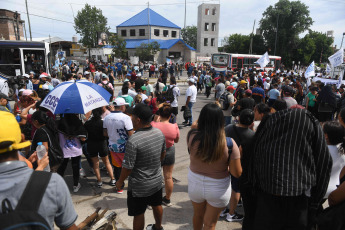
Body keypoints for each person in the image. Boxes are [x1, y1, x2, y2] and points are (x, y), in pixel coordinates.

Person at [248, 109, 332, 229]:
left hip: (267, 197)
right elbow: (324, 162)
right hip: (297, 199)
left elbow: (254, 155)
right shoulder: (309, 121)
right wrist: (315, 201)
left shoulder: (270, 121)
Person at [0, 111, 78, 230]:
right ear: (21, 138)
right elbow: (69, 226)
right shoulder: (53, 183)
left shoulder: (41, 131)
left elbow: (45, 148)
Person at [187, 103, 242, 230]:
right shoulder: (229, 143)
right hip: (218, 188)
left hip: (195, 183)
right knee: (210, 224)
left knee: (198, 215)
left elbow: (195, 125)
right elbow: (237, 173)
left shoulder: (192, 136)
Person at [115, 104, 166, 230]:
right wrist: (153, 165)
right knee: (157, 204)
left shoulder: (134, 140)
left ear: (138, 120)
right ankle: (158, 227)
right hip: (156, 181)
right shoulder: (159, 133)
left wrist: (120, 182)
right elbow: (163, 153)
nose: (130, 119)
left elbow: (127, 167)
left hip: (139, 186)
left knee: (138, 213)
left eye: (132, 116)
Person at [222, 109, 255, 222]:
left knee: (225, 187)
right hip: (240, 165)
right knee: (236, 189)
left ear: (239, 118)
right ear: (252, 122)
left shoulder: (228, 128)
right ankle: (231, 214)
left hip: (224, 163)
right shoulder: (252, 135)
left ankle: (222, 210)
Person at [151, 103, 180, 206]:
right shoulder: (174, 126)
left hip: (156, 151)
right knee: (168, 177)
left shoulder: (153, 125)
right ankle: (167, 199)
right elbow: (176, 140)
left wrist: (156, 120)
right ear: (170, 115)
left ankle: (153, 198)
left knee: (154, 175)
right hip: (169, 150)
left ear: (160, 114)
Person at [103, 97, 134, 193]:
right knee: (129, 166)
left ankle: (119, 187)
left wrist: (113, 135)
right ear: (122, 106)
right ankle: (133, 186)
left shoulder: (106, 117)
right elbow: (131, 134)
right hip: (126, 147)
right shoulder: (126, 118)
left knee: (117, 167)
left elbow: (105, 133)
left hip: (113, 146)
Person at [84, 108, 116, 188]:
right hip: (102, 143)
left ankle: (99, 181)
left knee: (95, 163)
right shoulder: (103, 122)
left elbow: (85, 134)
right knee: (107, 162)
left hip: (91, 144)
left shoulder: (87, 123)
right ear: (101, 113)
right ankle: (112, 179)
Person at [57, 114, 87, 193]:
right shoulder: (77, 123)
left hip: (64, 149)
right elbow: (83, 138)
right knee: (75, 167)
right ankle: (75, 185)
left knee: (62, 168)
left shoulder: (60, 123)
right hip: (76, 150)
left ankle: (58, 185)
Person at [322, 121, 345, 198]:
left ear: (326, 136)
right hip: (334, 189)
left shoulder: (321, 151)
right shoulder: (342, 151)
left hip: (318, 190)